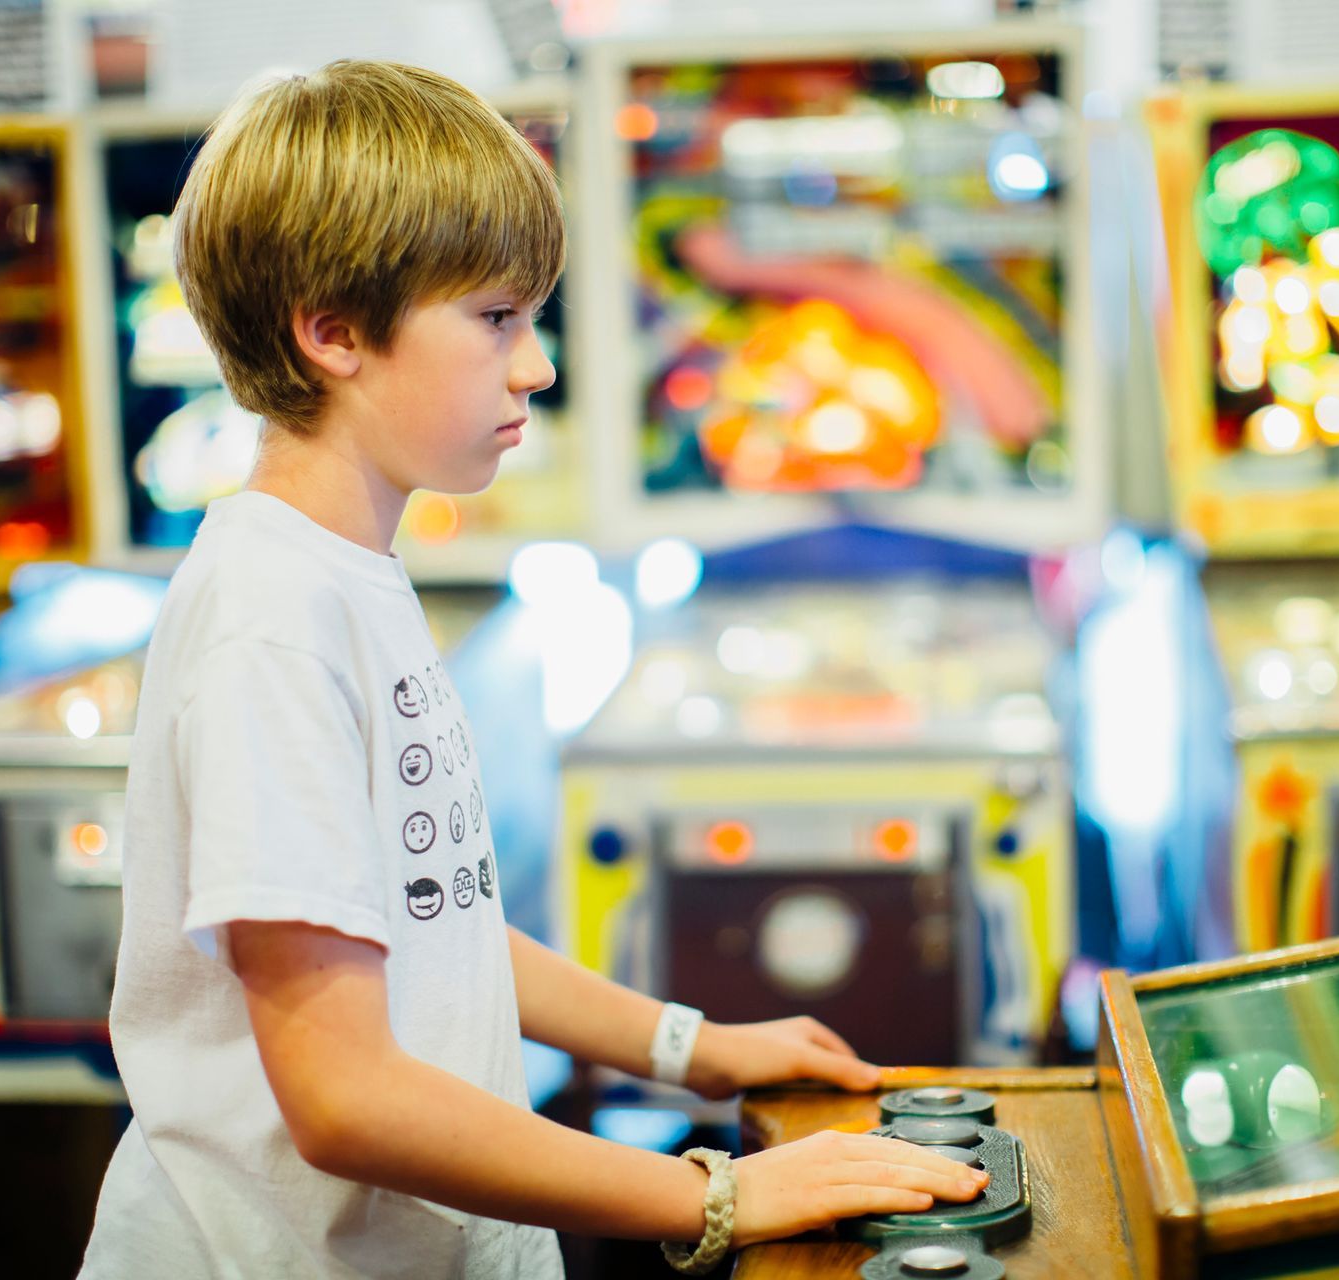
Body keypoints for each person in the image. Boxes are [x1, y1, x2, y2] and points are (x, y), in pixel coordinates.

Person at [77, 60, 986, 1280]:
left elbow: (424, 917)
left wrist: (691, 1045)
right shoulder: (272, 624)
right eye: (498, 319)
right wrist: (711, 1191)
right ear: (332, 330)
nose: (536, 366)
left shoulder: (338, 572)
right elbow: (342, 1095)